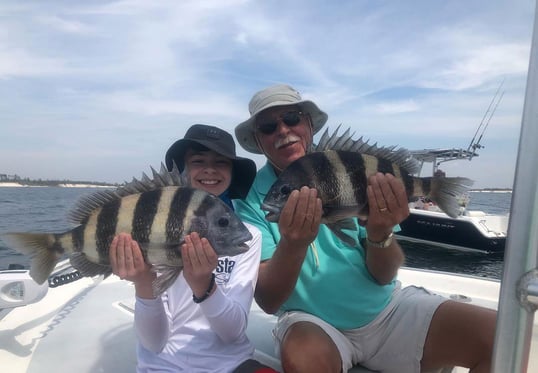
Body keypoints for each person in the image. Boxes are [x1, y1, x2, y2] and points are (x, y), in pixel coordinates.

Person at [234, 84, 496, 373]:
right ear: (258, 140)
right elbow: (268, 302)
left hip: (388, 312)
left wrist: (379, 233)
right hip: (312, 324)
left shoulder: (342, 165)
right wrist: (293, 244)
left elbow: (384, 275)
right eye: (269, 126)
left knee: (499, 336)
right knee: (302, 358)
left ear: (308, 124)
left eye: (292, 118)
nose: (283, 130)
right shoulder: (254, 206)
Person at [109, 124, 278, 373]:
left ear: (232, 173)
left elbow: (232, 334)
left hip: (233, 364)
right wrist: (143, 282)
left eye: (221, 162)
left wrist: (204, 285)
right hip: (164, 367)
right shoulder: (153, 227)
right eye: (198, 160)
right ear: (184, 170)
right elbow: (154, 343)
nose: (210, 169)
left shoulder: (246, 237)